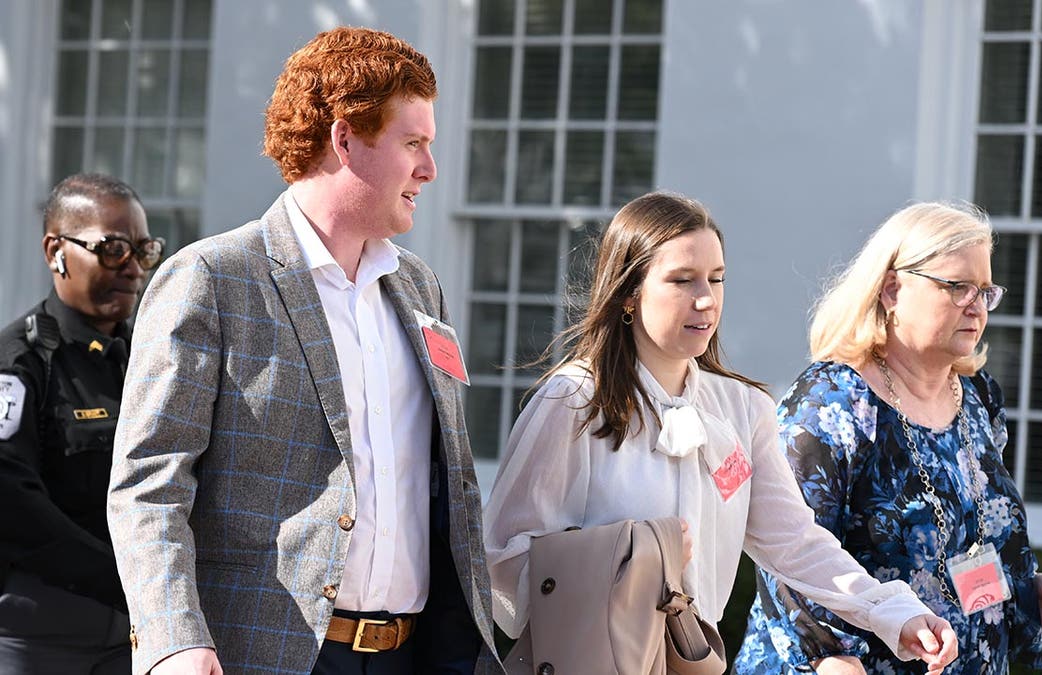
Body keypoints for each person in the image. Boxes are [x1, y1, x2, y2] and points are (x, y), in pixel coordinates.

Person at [106, 27, 500, 675]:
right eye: (414, 143)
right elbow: (149, 484)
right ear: (345, 138)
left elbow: (447, 479)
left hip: (417, 655)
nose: (430, 169)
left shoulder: (419, 286)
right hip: (267, 654)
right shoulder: (211, 278)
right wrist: (172, 635)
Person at [484, 192, 959, 673]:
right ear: (629, 293)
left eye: (716, 279)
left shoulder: (744, 409)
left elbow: (796, 543)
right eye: (681, 281)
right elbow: (504, 559)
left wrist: (894, 614)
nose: (706, 299)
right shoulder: (573, 401)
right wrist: (632, 560)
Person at [734, 202, 1042, 674]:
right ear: (893, 289)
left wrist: (1021, 588)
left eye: (984, 290)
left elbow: (964, 537)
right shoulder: (830, 403)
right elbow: (787, 555)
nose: (976, 306)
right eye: (957, 287)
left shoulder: (978, 396)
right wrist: (831, 657)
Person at [0, 173, 163, 673]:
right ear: (56, 251)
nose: (133, 268)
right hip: (43, 632)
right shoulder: (21, 362)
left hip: (139, 630)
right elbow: (11, 498)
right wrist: (120, 574)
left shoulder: (153, 357)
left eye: (144, 249)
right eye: (113, 248)